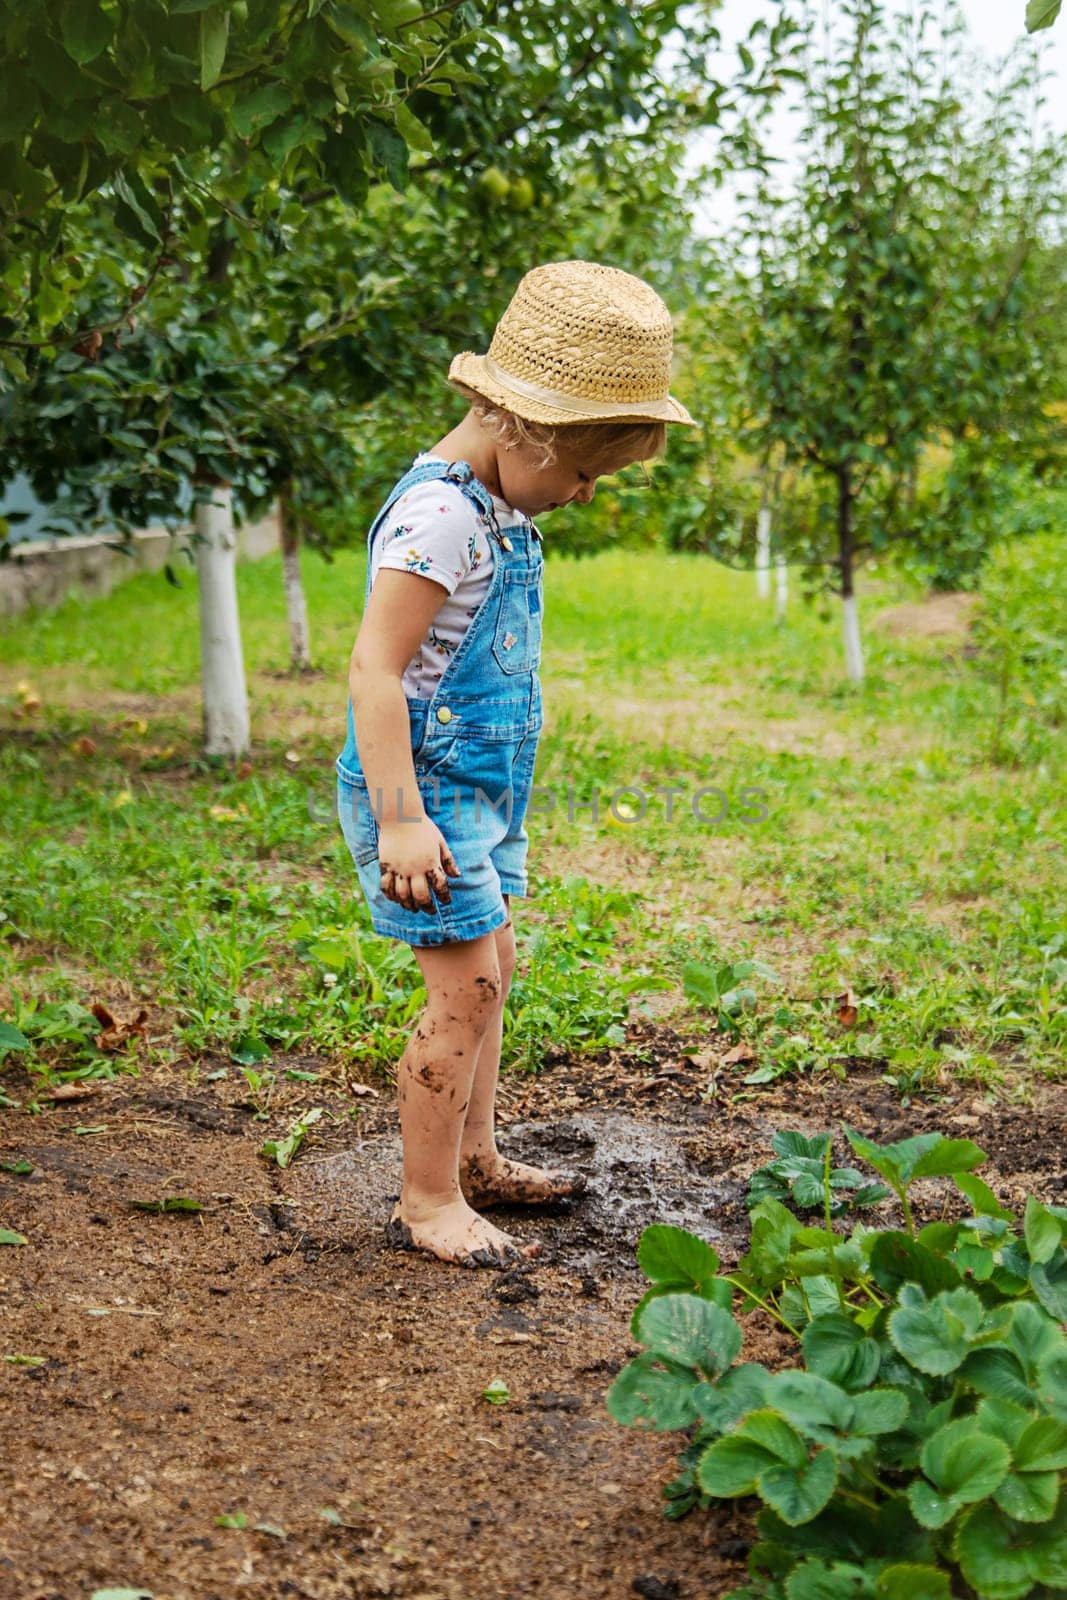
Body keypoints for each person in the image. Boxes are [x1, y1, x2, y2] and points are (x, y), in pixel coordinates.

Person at [336, 260, 695, 1268]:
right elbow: (375, 671)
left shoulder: (502, 505)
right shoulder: (442, 514)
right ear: (521, 430)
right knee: (463, 994)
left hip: (475, 789)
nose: (584, 493)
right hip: (423, 789)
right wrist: (404, 818)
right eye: (583, 471)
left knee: (491, 971)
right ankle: (426, 1198)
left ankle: (476, 1154)